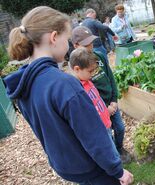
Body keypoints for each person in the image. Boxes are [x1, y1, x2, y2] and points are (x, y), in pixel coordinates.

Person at [3, 6, 133, 185]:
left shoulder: (23, 85)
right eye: (67, 38)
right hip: (92, 169)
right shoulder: (64, 85)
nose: (68, 45)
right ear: (54, 37)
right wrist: (117, 170)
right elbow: (93, 136)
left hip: (66, 166)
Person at [71, 26, 130, 163]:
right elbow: (89, 95)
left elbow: (111, 78)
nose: (90, 47)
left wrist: (114, 100)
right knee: (107, 135)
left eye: (91, 42)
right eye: (86, 45)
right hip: (100, 110)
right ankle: (114, 156)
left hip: (112, 104)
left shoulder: (100, 56)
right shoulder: (78, 71)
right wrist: (105, 108)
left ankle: (119, 148)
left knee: (120, 128)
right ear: (76, 45)